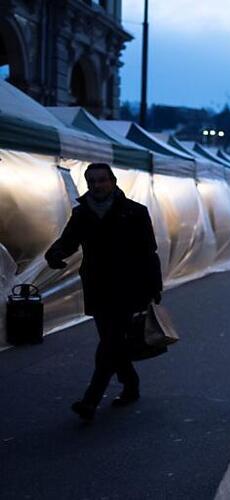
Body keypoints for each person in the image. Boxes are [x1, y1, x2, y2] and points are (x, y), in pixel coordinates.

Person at [45, 163, 162, 421]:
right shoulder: (82, 214)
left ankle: (91, 400)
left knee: (110, 342)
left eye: (102, 180)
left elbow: (148, 252)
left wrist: (154, 287)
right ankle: (130, 384)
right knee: (113, 342)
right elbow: (69, 241)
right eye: (92, 181)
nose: (97, 185)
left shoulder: (135, 212)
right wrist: (55, 254)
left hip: (128, 287)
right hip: (97, 286)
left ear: (113, 181)